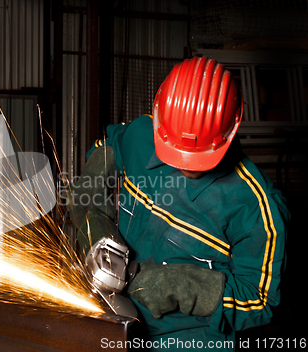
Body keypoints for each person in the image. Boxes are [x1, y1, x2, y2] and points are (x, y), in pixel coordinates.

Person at [66, 56, 289, 351]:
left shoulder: (257, 208)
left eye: (198, 157)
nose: (185, 165)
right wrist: (92, 210)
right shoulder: (143, 134)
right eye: (174, 151)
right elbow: (111, 144)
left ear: (231, 128)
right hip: (112, 319)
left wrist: (180, 286)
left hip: (189, 340)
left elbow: (261, 301)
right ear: (158, 117)